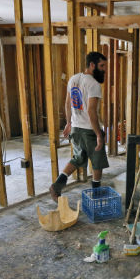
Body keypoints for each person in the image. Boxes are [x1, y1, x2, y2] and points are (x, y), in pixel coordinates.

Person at [49, 51, 109, 202]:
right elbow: (91, 110)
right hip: (89, 130)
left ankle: (57, 185)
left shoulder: (73, 79)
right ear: (92, 65)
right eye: (102, 66)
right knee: (97, 162)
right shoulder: (94, 84)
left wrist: (69, 123)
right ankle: (96, 196)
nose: (104, 69)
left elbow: (68, 103)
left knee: (77, 158)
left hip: (76, 128)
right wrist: (98, 135)